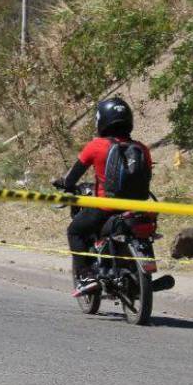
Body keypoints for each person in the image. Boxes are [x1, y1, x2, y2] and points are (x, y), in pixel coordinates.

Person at [55, 97, 154, 296]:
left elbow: (72, 177)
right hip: (138, 208)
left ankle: (86, 276)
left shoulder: (96, 146)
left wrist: (65, 185)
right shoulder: (142, 148)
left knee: (75, 231)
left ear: (102, 121)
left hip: (106, 209)